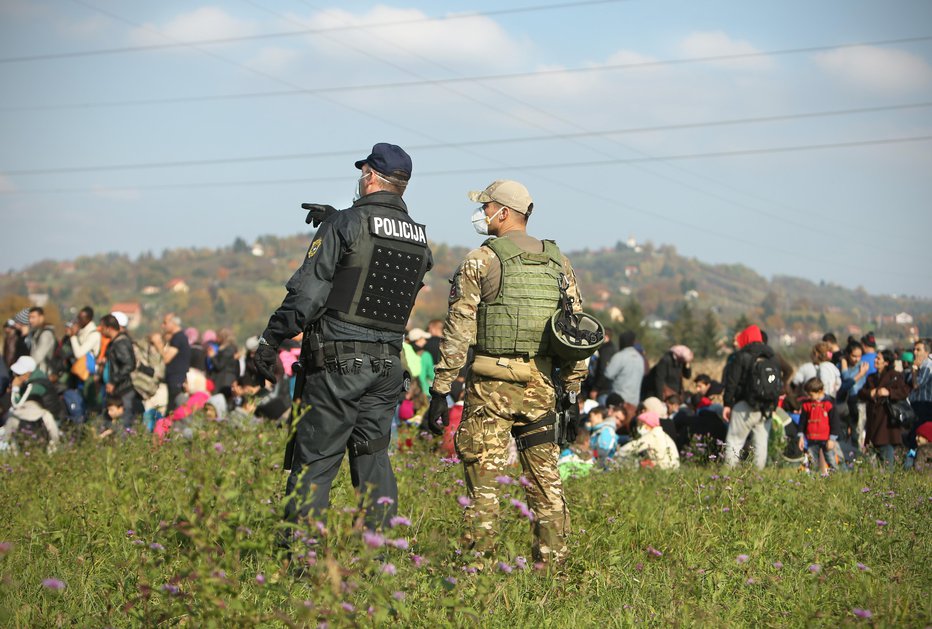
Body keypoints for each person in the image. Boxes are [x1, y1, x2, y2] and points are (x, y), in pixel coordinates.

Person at [254, 143, 432, 538]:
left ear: (369, 176)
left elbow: (308, 297)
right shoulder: (419, 239)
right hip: (387, 365)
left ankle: (299, 558)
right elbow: (373, 275)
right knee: (373, 460)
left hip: (338, 364)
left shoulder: (345, 226)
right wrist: (341, 221)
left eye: (362, 171)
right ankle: (381, 555)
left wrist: (271, 339)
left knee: (315, 461)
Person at [425, 178, 592, 565]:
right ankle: (553, 570)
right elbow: (576, 330)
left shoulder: (480, 260)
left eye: (485, 207)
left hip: (492, 387)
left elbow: (459, 329)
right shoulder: (558, 263)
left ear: (503, 211)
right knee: (546, 483)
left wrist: (440, 390)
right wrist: (571, 390)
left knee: (484, 483)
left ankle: (477, 570)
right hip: (542, 388)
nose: (482, 214)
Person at [722, 324, 779, 470]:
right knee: (761, 442)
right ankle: (758, 475)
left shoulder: (742, 356)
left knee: (735, 440)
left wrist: (727, 404)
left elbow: (732, 382)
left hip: (744, 405)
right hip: (765, 408)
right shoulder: (771, 357)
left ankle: (729, 472)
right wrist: (774, 404)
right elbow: (776, 382)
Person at [858, 349, 910, 469]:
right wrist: (869, 393)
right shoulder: (871, 377)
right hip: (873, 421)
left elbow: (904, 391)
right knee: (872, 460)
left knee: (887, 459)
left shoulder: (894, 375)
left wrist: (889, 392)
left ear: (886, 362)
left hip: (887, 424)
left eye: (879, 359)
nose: (875, 360)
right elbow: (861, 393)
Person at [2, 356, 62, 454]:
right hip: (40, 413)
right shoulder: (36, 377)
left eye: (18, 374)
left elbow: (17, 404)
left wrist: (15, 388)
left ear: (27, 374)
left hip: (49, 417)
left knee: (13, 417)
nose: (15, 376)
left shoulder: (34, 385)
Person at [100, 314, 139, 430]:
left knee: (123, 424)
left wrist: (113, 381)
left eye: (102, 327)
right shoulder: (114, 342)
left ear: (109, 328)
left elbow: (129, 364)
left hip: (123, 390)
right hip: (117, 390)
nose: (100, 330)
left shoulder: (120, 343)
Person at [796, 378, 840, 472]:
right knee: (812, 462)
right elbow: (802, 422)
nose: (809, 397)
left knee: (831, 461)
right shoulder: (806, 405)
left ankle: (836, 479)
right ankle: (813, 481)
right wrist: (801, 437)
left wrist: (832, 439)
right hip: (812, 439)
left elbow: (835, 422)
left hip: (826, 439)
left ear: (820, 391)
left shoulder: (829, 403)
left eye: (811, 394)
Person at [616, 411, 680, 470]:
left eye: (640, 424)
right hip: (672, 469)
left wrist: (617, 454)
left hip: (663, 470)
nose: (638, 427)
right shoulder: (663, 435)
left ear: (647, 424)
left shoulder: (653, 435)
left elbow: (633, 447)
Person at [153, 313, 190, 413]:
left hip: (176, 380)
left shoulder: (178, 338)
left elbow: (166, 358)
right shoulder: (179, 337)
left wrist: (158, 344)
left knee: (172, 409)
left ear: (173, 323)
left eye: (165, 323)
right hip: (175, 379)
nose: (163, 326)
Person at [603, 330, 643, 417]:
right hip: (634, 403)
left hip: (618, 401)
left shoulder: (620, 356)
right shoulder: (640, 358)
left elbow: (608, 374)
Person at [27, 307, 57, 374]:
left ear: (41, 317)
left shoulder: (46, 334)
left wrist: (26, 369)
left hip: (42, 373)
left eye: (33, 317)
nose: (30, 320)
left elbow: (37, 357)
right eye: (29, 317)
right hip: (37, 372)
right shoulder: (36, 333)